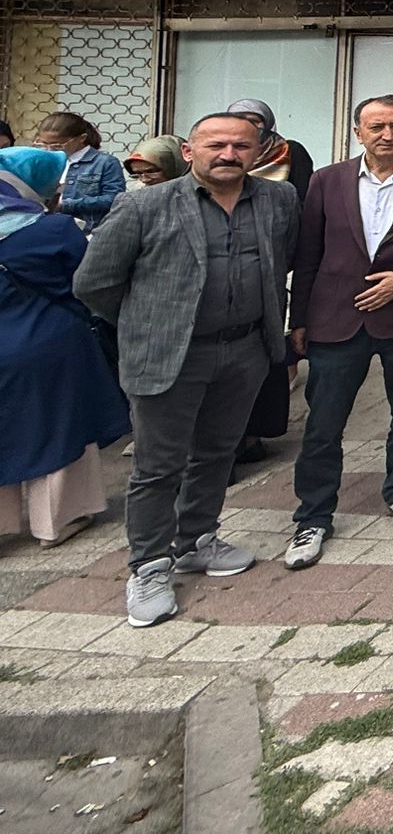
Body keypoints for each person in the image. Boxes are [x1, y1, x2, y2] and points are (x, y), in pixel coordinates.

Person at [73, 113, 298, 628]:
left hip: (243, 350)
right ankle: (149, 565)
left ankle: (196, 538)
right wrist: (150, 324)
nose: (228, 154)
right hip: (171, 354)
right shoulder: (143, 204)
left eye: (241, 146)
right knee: (157, 466)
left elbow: (279, 263)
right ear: (190, 151)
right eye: (215, 144)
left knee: (218, 452)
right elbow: (94, 284)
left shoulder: (277, 200)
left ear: (258, 152)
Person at [282, 94, 393, 571]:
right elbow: (308, 256)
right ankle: (313, 515)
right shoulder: (326, 181)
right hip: (337, 319)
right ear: (358, 131)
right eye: (376, 126)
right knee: (323, 424)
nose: (386, 134)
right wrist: (299, 321)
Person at [0, 148, 129, 549]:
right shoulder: (52, 230)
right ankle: (57, 521)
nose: (59, 189)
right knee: (60, 426)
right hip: (46, 342)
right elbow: (88, 282)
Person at [224, 98, 312, 465]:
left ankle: (254, 435)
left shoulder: (289, 156)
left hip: (270, 270)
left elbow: (302, 212)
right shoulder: (218, 162)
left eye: (254, 121)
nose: (248, 127)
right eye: (239, 120)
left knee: (262, 353)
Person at [34, 113, 125, 235]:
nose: (49, 150)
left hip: (87, 232)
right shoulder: (40, 159)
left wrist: (66, 204)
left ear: (81, 138)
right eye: (43, 144)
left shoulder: (105, 162)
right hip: (46, 229)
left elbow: (115, 199)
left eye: (57, 145)